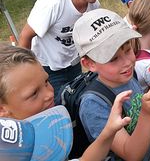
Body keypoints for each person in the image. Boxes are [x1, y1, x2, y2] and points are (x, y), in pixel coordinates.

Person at [0, 43, 131, 161]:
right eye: (34, 93)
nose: (50, 94)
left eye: (46, 82)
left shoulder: (47, 127)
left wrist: (109, 131)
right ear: (2, 110)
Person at [72, 8, 150, 161]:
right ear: (90, 64)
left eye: (128, 50)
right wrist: (148, 115)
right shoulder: (93, 104)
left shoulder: (127, 76)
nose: (127, 63)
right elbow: (131, 155)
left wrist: (147, 127)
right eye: (113, 59)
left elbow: (135, 115)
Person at [18, 0, 101, 101]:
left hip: (73, 63)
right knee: (60, 106)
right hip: (48, 68)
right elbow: (25, 37)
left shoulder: (94, 5)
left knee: (76, 100)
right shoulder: (53, 5)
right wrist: (27, 73)